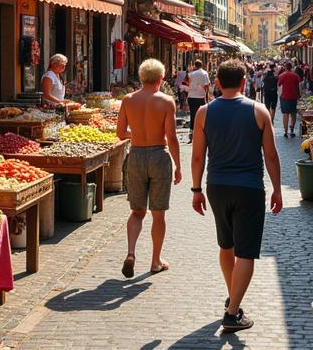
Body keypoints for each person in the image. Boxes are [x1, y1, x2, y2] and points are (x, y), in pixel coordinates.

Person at [190, 60, 283, 332]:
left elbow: (197, 157)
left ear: (216, 83)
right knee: (246, 253)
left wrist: (196, 190)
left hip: (217, 186)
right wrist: (277, 188)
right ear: (244, 82)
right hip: (249, 188)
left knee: (226, 246)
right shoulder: (259, 111)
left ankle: (234, 296)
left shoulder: (204, 113)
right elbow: (272, 155)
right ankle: (232, 314)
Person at [117, 58, 181, 278]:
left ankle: (131, 252)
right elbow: (171, 138)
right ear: (161, 78)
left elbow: (119, 133)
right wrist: (179, 166)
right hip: (158, 155)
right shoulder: (166, 101)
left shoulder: (128, 99)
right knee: (158, 214)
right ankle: (155, 261)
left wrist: (135, 134)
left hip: (135, 154)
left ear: (141, 77)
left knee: (137, 212)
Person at [185, 58, 211, 142]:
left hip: (191, 97)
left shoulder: (191, 74)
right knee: (202, 115)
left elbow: (187, 84)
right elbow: (207, 85)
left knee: (193, 115)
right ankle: (202, 132)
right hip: (200, 97)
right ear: (201, 65)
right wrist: (207, 97)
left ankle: (191, 132)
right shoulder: (204, 73)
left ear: (195, 65)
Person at [277, 63, 302, 138]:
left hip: (284, 97)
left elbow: (279, 84)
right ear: (291, 68)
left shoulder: (282, 75)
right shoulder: (296, 76)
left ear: (285, 67)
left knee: (285, 114)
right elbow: (298, 86)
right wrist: (299, 95)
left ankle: (285, 131)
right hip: (294, 96)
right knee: (293, 113)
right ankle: (292, 130)